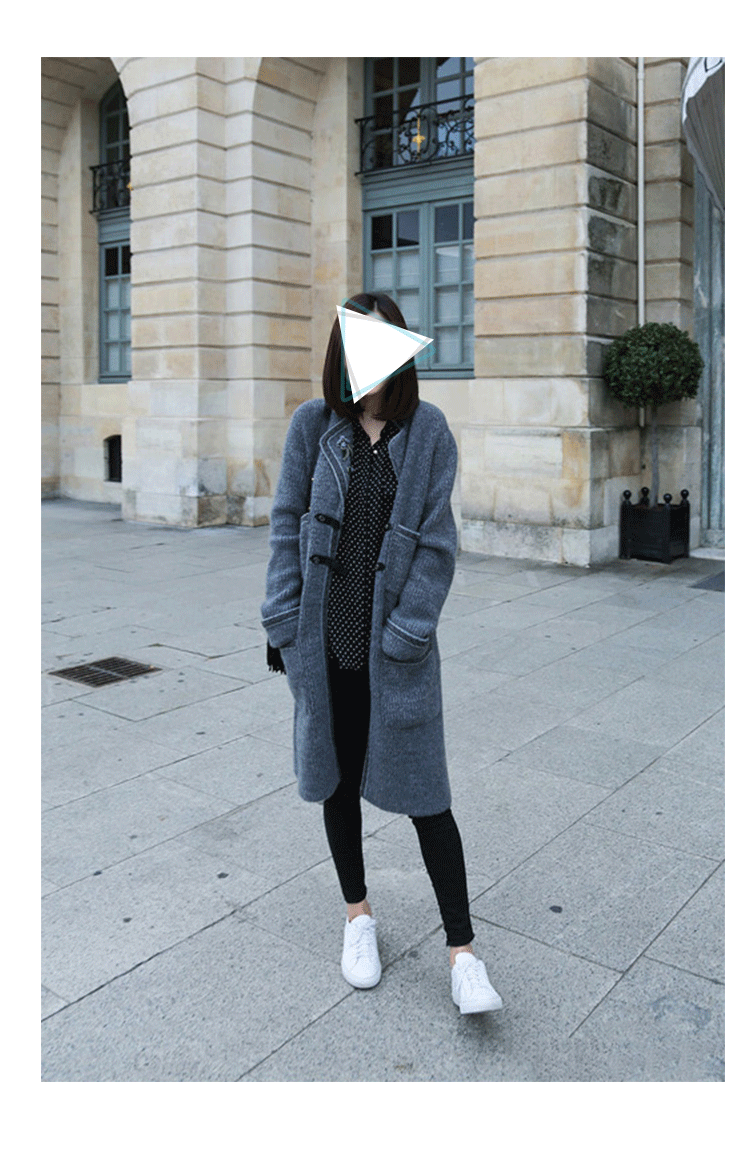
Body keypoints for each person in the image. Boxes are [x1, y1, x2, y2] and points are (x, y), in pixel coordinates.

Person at [261, 292, 503, 1014]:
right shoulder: (313, 425)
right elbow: (285, 522)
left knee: (429, 798)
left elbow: (437, 545)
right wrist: (282, 619)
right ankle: (357, 915)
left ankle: (463, 953)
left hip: (395, 648)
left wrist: (408, 630)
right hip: (324, 639)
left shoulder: (428, 432)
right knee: (335, 781)